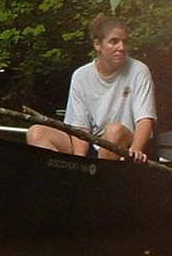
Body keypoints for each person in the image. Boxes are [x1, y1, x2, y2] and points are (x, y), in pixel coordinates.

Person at [26, 16, 155, 161]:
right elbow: (80, 128)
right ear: (97, 45)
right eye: (114, 42)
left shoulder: (139, 71)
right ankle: (66, 179)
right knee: (36, 132)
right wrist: (79, 162)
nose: (121, 47)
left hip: (127, 144)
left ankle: (100, 181)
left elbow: (144, 120)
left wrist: (135, 150)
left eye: (124, 41)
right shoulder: (81, 76)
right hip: (93, 143)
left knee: (113, 131)